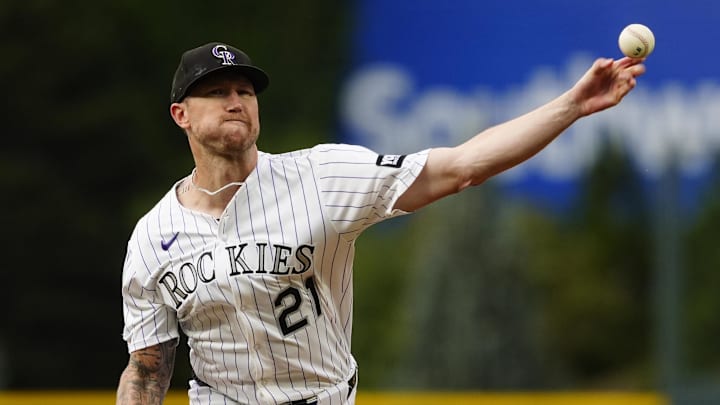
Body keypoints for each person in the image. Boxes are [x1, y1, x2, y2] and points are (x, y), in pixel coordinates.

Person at [116, 42, 646, 405]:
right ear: (181, 114)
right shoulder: (151, 238)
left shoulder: (320, 177)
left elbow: (461, 167)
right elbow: (148, 366)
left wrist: (572, 106)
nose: (236, 102)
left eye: (245, 92)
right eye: (217, 91)